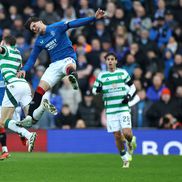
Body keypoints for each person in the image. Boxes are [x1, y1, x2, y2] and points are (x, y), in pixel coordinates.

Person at [17, 8, 106, 127]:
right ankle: (29, 117)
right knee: (39, 90)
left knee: (69, 66)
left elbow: (74, 23)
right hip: (54, 65)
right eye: (32, 29)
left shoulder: (57, 26)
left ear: (39, 21)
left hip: (67, 58)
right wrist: (24, 69)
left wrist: (93, 18)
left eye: (34, 25)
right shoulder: (39, 41)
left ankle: (72, 75)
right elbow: (32, 59)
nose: (34, 29)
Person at [0, 35, 56, 152]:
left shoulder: (6, 50)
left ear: (5, 42)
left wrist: (2, 46)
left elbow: (2, 50)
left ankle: (28, 135)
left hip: (13, 85)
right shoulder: (18, 54)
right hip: (24, 85)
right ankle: (42, 106)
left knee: (3, 121)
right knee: (31, 119)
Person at [92, 52, 138, 168]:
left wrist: (128, 96)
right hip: (111, 111)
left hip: (123, 108)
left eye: (112, 59)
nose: (110, 61)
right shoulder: (102, 76)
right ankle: (124, 158)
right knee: (117, 136)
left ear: (116, 61)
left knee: (127, 133)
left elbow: (132, 86)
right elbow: (94, 90)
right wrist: (99, 89)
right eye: (108, 59)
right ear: (106, 62)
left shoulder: (122, 73)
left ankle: (130, 141)